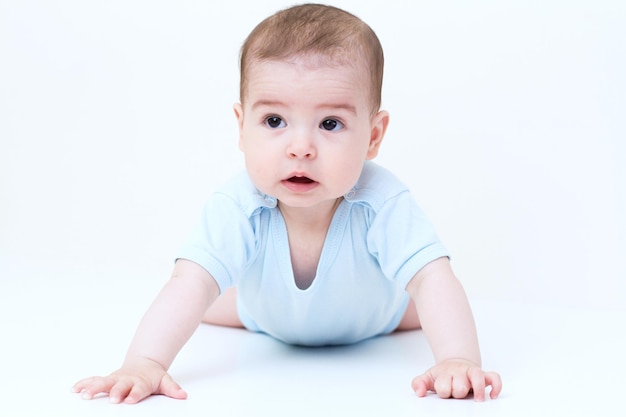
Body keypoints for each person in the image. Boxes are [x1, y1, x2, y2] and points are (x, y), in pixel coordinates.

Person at [73, 3, 502, 404]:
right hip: (261, 315)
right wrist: (145, 363)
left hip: (379, 317)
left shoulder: (383, 202)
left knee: (430, 301)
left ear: (373, 136)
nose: (301, 147)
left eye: (330, 123)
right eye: (274, 121)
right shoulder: (238, 205)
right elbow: (190, 283)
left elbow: (431, 278)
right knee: (198, 293)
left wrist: (458, 359)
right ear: (241, 128)